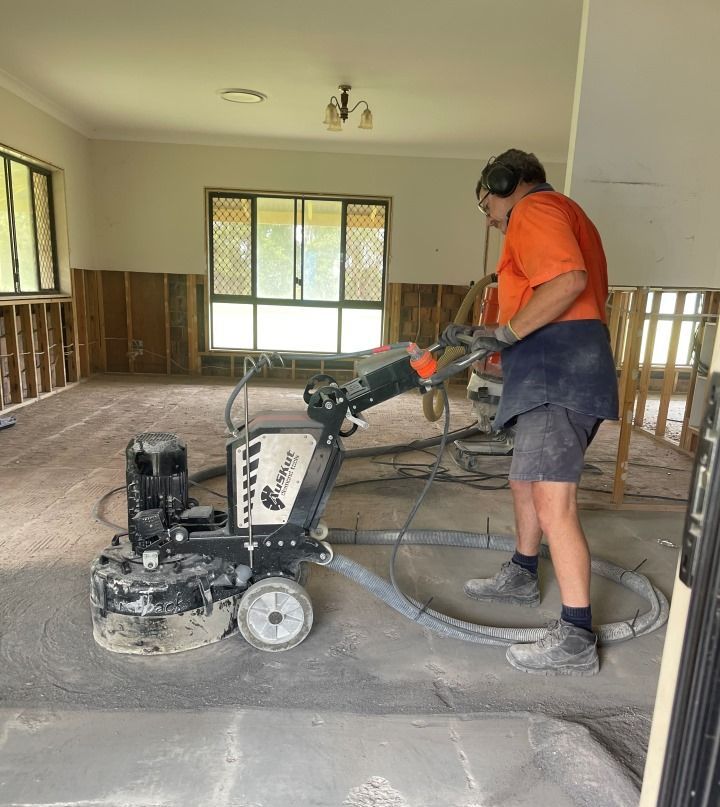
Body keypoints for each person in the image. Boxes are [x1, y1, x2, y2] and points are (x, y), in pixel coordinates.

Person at [441, 148, 618, 676]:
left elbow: (568, 283)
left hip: (557, 371)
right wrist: (492, 336)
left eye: (487, 206)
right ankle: (521, 574)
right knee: (525, 481)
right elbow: (547, 294)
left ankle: (575, 634)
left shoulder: (536, 210)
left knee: (551, 497)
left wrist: (507, 332)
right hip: (548, 367)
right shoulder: (563, 214)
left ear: (505, 183)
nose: (491, 219)